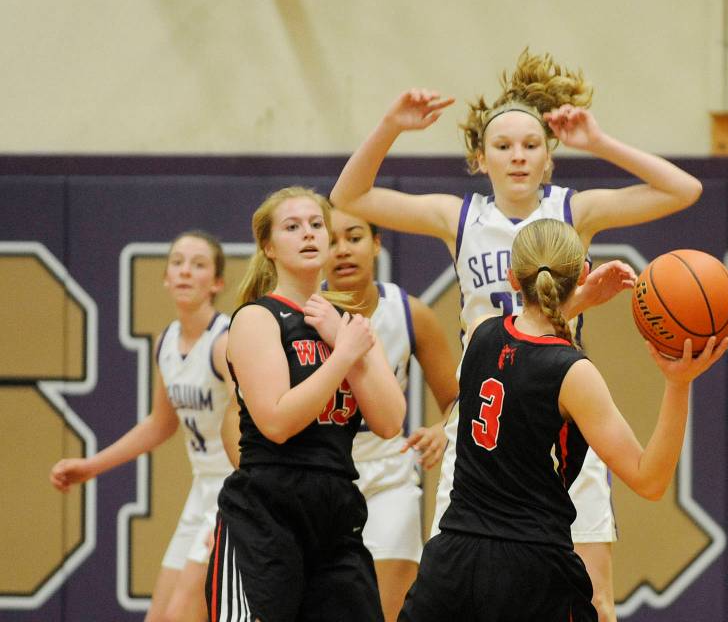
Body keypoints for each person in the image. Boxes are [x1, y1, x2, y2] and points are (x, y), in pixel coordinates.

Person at [331, 49, 704, 620]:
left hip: (556, 412)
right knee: (459, 590)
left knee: (594, 598)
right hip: (486, 422)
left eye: (531, 145)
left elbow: (683, 190)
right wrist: (389, 127)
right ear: (480, 157)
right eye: (503, 146)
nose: (518, 156)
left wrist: (600, 143)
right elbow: (349, 199)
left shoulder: (574, 209)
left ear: (549, 158)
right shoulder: (457, 216)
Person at [399, 218, 728, 621]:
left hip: (450, 561)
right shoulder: (572, 373)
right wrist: (679, 384)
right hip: (528, 568)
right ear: (583, 273)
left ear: (510, 277)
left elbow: (527, 341)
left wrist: (576, 299)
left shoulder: (482, 336)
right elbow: (650, 479)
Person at [220, 207, 460, 622]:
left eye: (317, 226)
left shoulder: (350, 324)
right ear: (269, 246)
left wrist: (344, 342)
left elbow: (389, 421)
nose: (309, 235)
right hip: (271, 505)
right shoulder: (258, 317)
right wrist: (343, 356)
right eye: (293, 228)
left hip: (337, 502)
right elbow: (276, 423)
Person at [50, 230, 235, 622]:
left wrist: (246, 506)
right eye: (178, 262)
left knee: (186, 614)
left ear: (216, 282)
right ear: (166, 277)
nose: (186, 271)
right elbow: (159, 424)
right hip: (201, 492)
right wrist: (90, 466)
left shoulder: (225, 343)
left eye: (199, 265)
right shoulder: (167, 341)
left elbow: (257, 426)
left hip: (234, 492)